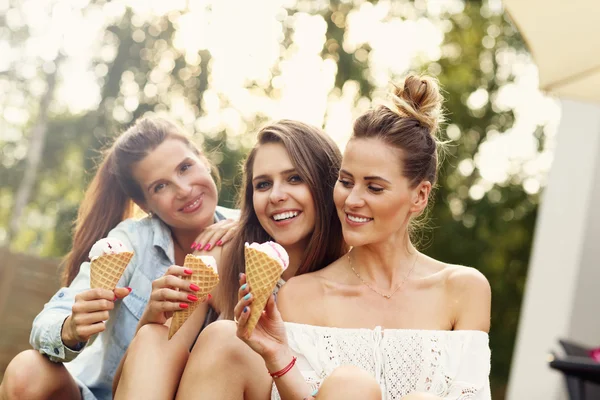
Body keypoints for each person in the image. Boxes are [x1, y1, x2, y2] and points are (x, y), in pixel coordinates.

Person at [181, 74, 492, 400]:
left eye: (374, 187)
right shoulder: (300, 294)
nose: (352, 200)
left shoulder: (463, 289)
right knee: (348, 387)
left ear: (419, 196)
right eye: (346, 182)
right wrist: (278, 357)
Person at [0, 117, 239, 400]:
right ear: (144, 205)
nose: (184, 189)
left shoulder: (252, 226)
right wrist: (70, 328)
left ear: (202, 159)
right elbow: (49, 320)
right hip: (113, 393)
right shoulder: (132, 241)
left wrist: (249, 228)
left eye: (185, 167)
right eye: (160, 187)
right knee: (26, 371)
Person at [113, 120, 348, 399]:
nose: (276, 196)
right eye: (262, 184)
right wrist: (149, 323)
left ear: (327, 183)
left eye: (295, 178)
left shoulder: (355, 267)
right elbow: (138, 370)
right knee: (158, 337)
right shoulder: (218, 256)